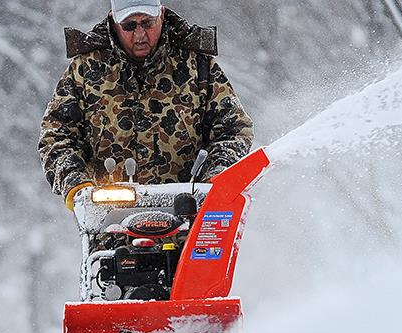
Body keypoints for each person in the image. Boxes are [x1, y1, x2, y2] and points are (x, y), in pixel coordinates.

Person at [38, 0, 254, 211]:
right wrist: (76, 184)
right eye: (129, 26)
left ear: (161, 14)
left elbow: (234, 128)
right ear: (114, 21)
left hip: (191, 214)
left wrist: (217, 174)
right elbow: (57, 135)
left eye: (147, 23)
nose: (140, 35)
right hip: (111, 219)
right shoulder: (85, 70)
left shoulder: (197, 64)